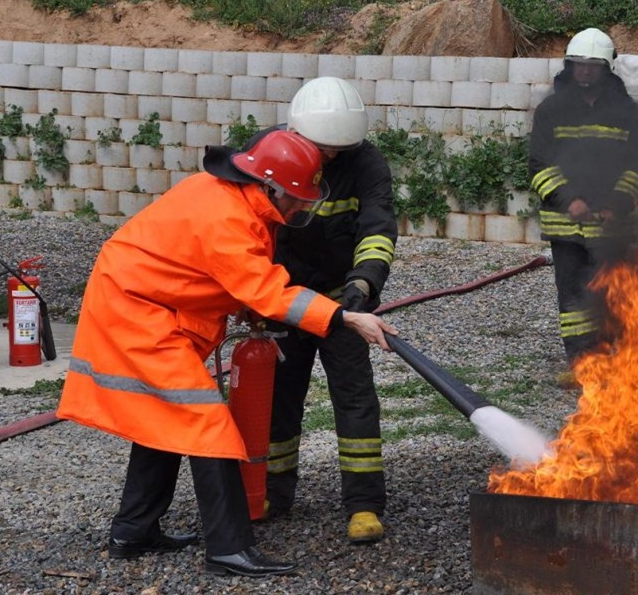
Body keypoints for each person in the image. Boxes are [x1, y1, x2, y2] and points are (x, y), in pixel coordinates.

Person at [55, 129, 398, 579]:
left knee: (163, 417)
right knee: (207, 425)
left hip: (144, 305)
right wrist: (349, 319)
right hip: (138, 314)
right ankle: (229, 549)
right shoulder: (227, 219)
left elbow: (219, 271)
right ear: (270, 185)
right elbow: (267, 289)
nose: (299, 208)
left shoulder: (233, 200)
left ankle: (133, 531)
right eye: (295, 198)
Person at [254, 76, 398, 544]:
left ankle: (364, 505)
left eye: (340, 148)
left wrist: (364, 283)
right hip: (285, 301)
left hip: (342, 301)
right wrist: (257, 295)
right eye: (322, 147)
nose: (331, 156)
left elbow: (377, 227)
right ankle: (273, 493)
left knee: (355, 400)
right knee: (279, 398)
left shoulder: (367, 163)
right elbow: (251, 229)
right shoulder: (271, 154)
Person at [528, 27, 638, 381]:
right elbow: (538, 166)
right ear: (569, 66)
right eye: (579, 65)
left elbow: (635, 167)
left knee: (612, 292)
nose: (585, 72)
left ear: (607, 68)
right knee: (574, 297)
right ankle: (580, 363)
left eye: (593, 66)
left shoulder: (627, 112)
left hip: (611, 225)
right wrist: (569, 200)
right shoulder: (551, 110)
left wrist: (617, 205)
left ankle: (611, 358)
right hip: (566, 226)